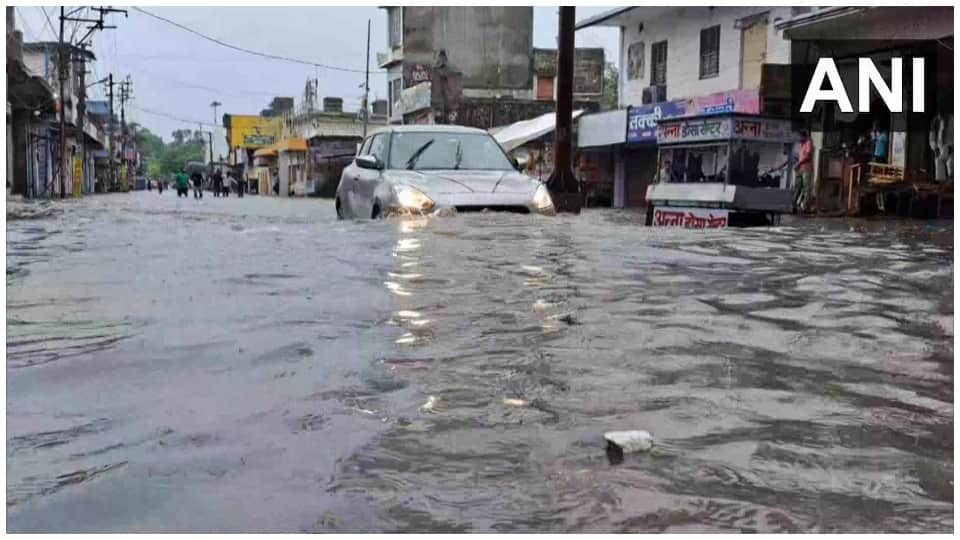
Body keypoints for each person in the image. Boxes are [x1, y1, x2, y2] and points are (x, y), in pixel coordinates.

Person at [795, 129, 814, 213]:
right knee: (797, 187)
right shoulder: (802, 145)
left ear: (803, 136)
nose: (798, 139)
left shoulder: (808, 143)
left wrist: (799, 164)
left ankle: (806, 207)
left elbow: (808, 157)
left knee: (807, 189)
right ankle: (793, 205)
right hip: (800, 169)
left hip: (806, 169)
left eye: (800, 137)